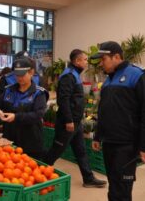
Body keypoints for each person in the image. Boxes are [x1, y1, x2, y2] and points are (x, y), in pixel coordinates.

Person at [90, 41, 145, 201]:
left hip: (126, 145)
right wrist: (98, 136)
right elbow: (104, 111)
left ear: (116, 57)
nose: (101, 63)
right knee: (113, 185)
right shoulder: (107, 82)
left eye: (103, 59)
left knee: (122, 189)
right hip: (109, 143)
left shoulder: (138, 75)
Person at [43, 49, 107, 188]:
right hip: (68, 123)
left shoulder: (75, 74)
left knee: (81, 151)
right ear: (77, 61)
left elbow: (75, 99)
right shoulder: (68, 76)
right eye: (84, 59)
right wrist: (68, 120)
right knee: (56, 150)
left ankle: (88, 178)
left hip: (76, 122)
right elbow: (63, 100)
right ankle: (40, 174)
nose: (86, 62)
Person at [0, 58, 49, 160]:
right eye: (17, 74)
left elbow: (38, 115)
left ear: (31, 73)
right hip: (10, 140)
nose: (19, 78)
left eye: (22, 74)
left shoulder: (38, 93)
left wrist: (16, 117)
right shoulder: (8, 91)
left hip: (31, 141)